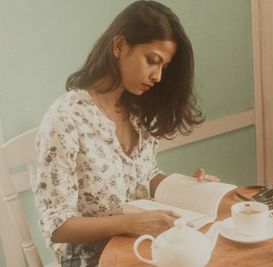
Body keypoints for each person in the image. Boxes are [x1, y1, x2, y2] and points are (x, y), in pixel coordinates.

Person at [34, 1, 218, 266]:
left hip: (141, 244)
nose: (157, 76)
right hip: (90, 258)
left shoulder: (139, 111)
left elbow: (142, 178)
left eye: (164, 67)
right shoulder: (66, 118)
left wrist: (189, 189)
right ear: (119, 46)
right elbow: (57, 225)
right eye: (152, 61)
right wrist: (130, 223)